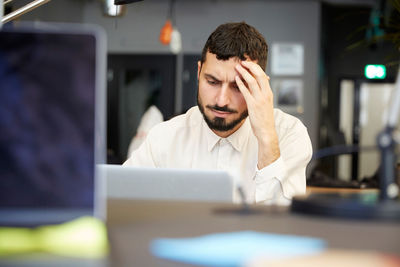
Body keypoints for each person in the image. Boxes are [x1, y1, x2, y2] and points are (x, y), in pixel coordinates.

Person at [124, 22, 312, 205]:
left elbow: (285, 225)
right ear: (198, 73)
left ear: (259, 85)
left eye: (238, 86)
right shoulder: (165, 137)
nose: (222, 100)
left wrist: (266, 138)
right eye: (212, 82)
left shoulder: (289, 134)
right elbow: (120, 200)